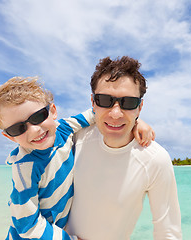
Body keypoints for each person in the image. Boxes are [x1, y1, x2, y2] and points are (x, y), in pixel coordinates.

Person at [0, 77, 154, 240]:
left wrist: (135, 121)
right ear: (10, 137)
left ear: (53, 111)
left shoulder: (64, 129)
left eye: (38, 117)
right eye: (18, 128)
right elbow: (26, 224)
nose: (34, 130)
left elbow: (100, 114)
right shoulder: (26, 168)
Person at [66, 56, 182, 239]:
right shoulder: (74, 138)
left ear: (140, 107)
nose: (115, 113)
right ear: (92, 102)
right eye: (104, 100)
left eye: (128, 103)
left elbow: (167, 231)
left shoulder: (155, 159)